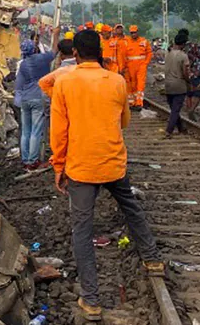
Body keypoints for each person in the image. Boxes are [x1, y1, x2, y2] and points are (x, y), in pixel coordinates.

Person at [49, 30, 163, 321]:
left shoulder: (65, 82)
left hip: (81, 166)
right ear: (100, 51)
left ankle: (92, 301)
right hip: (113, 162)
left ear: (75, 53)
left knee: (82, 231)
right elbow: (124, 120)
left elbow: (59, 132)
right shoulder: (117, 80)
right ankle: (152, 259)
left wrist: (58, 167)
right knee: (131, 207)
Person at [15, 41, 56, 170]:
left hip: (25, 99)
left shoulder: (23, 65)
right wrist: (55, 34)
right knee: (36, 131)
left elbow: (18, 85)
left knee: (26, 131)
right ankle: (33, 161)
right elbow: (54, 51)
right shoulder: (42, 59)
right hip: (38, 98)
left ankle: (26, 159)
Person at [163, 32, 191, 138]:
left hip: (168, 85)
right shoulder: (183, 56)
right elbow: (185, 72)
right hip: (179, 85)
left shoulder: (168, 54)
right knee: (175, 110)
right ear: (183, 44)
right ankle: (169, 131)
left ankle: (181, 128)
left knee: (174, 108)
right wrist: (189, 81)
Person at [123, 25, 153, 108]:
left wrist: (145, 63)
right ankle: (131, 102)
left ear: (137, 32)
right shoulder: (126, 42)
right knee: (131, 84)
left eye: (134, 32)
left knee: (140, 84)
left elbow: (149, 53)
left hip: (141, 66)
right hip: (130, 66)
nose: (133, 34)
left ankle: (139, 102)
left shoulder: (144, 41)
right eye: (131, 33)